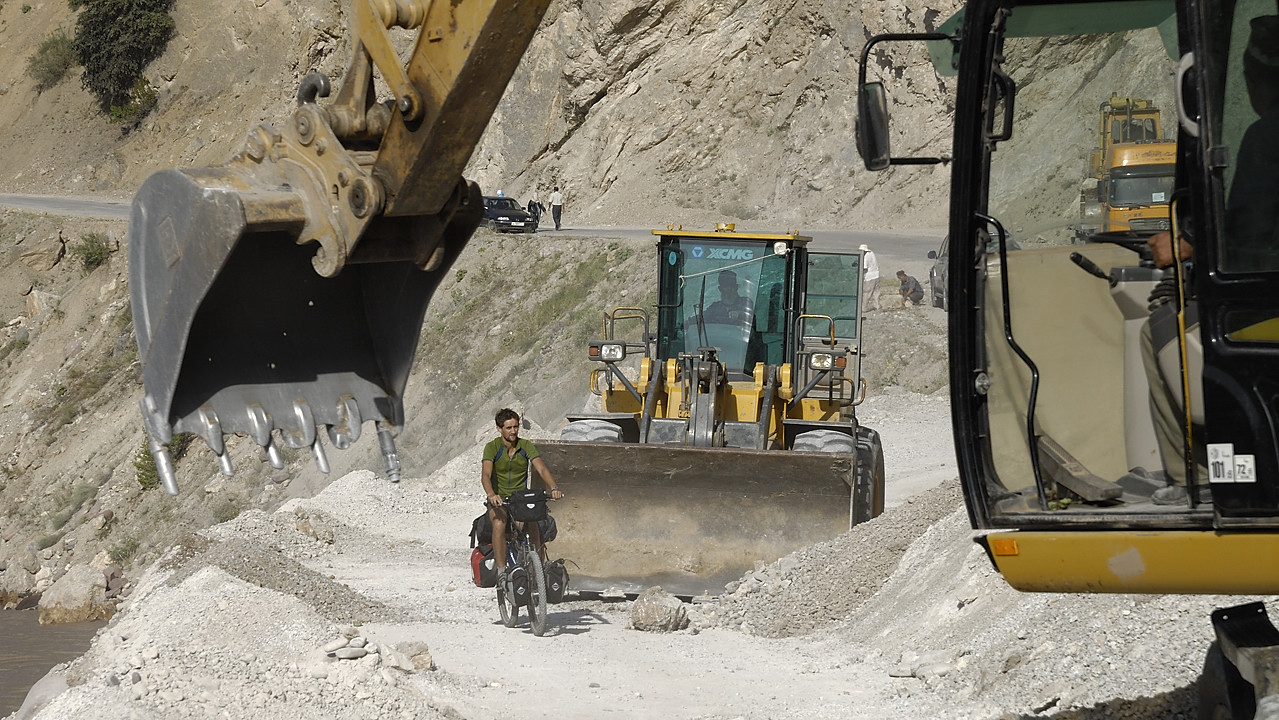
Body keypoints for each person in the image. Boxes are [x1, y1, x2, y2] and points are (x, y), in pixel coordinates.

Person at [480, 408, 562, 593]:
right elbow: (486, 475)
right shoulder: (492, 447)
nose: (513, 431)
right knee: (499, 523)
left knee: (534, 525)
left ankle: (537, 571)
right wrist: (492, 494)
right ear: (499, 428)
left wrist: (554, 487)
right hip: (499, 500)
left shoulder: (525, 446)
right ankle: (501, 572)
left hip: (520, 499)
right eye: (509, 427)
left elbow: (540, 468)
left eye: (516, 426)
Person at [860, 243, 880, 311]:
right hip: (876, 274)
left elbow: (864, 268)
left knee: (867, 292)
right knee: (876, 292)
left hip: (869, 277)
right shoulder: (871, 253)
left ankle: (864, 307)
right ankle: (877, 305)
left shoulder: (865, 256)